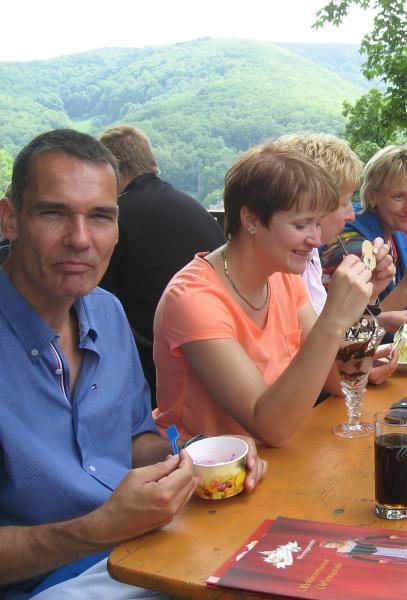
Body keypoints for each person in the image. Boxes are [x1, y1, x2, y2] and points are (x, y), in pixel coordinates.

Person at [0, 129, 265, 599]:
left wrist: (198, 455)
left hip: (141, 550)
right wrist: (99, 528)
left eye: (100, 216)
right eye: (53, 213)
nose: (80, 239)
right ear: (10, 219)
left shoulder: (107, 311)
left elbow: (136, 439)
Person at [153, 143, 375, 446]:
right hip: (208, 469)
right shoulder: (193, 299)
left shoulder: (283, 277)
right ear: (252, 220)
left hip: (274, 459)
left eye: (317, 223)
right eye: (301, 224)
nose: (316, 239)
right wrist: (333, 319)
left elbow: (337, 381)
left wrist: (362, 300)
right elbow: (271, 427)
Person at [98, 125, 226, 403]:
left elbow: (96, 299)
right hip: (223, 351)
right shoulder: (191, 206)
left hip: (158, 365)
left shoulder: (118, 217)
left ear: (112, 169)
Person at [275, 133, 407, 350]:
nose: (351, 215)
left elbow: (337, 348)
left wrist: (374, 306)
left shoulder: (309, 259)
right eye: (398, 196)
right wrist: (405, 288)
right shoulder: (346, 249)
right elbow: (329, 347)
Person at [320, 144, 407, 315]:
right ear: (372, 196)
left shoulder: (397, 235)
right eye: (399, 197)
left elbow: (397, 319)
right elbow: (359, 324)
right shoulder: (352, 248)